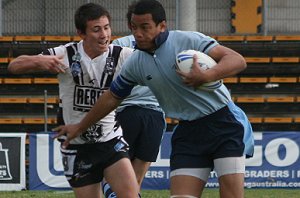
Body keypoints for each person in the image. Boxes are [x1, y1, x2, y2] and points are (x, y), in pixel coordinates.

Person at [54, 0, 254, 198]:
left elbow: (237, 60)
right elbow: (111, 98)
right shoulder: (136, 63)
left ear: (162, 26)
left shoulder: (188, 40)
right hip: (187, 132)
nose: (138, 33)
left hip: (223, 124)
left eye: (145, 27)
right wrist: (80, 127)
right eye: (134, 27)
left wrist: (207, 75)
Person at [8, 3, 139, 198]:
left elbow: (152, 64)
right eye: (96, 29)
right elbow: (14, 66)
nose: (104, 34)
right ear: (81, 33)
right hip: (77, 146)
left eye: (106, 27)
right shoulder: (65, 54)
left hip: (110, 141)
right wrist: (39, 60)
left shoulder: (122, 55)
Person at [101, 2, 166, 198]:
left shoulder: (118, 45)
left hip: (124, 112)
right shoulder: (165, 44)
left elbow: (103, 74)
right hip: (155, 115)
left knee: (113, 171)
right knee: (136, 178)